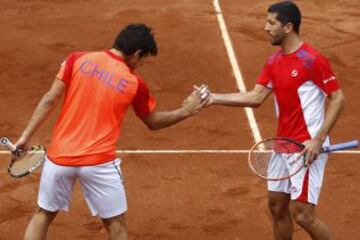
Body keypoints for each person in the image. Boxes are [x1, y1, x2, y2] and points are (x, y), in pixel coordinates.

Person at [15, 23, 209, 240]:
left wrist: (25, 136)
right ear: (137, 53)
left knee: (42, 215)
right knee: (116, 227)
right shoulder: (135, 83)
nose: (141, 65)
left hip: (60, 159)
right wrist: (186, 111)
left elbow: (50, 98)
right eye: (143, 60)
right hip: (98, 164)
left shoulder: (77, 59)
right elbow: (153, 122)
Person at [203, 1, 344, 240]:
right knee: (277, 206)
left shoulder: (312, 60)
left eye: (271, 23)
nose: (266, 27)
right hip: (282, 144)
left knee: (303, 215)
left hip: (305, 148)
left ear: (288, 27)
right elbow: (256, 96)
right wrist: (212, 98)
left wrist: (318, 140)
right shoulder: (274, 61)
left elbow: (338, 99)